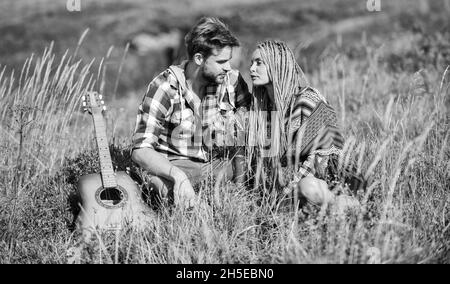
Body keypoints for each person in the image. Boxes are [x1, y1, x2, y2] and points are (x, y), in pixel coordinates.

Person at [131, 17, 250, 209]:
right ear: (199, 59)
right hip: (174, 166)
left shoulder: (232, 81)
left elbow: (248, 130)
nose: (228, 67)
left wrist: (241, 182)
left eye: (228, 60)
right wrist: (178, 176)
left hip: (216, 165)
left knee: (258, 167)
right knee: (163, 187)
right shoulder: (164, 87)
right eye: (221, 62)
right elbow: (140, 151)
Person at [247, 39, 350, 209]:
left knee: (307, 187)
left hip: (326, 181)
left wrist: (284, 196)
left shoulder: (307, 100)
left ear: (277, 65)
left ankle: (348, 204)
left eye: (259, 63)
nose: (251, 68)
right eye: (252, 63)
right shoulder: (263, 108)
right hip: (286, 190)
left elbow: (319, 159)